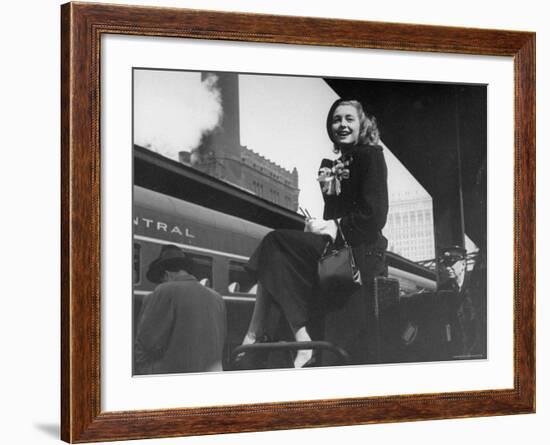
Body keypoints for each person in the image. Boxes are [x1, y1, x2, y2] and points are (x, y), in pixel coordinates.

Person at [240, 98, 388, 368]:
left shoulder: (371, 156)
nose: (341, 124)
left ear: (362, 124)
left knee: (275, 242)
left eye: (348, 119)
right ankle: (295, 337)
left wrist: (334, 226)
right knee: (276, 252)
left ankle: (257, 332)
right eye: (336, 120)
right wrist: (318, 225)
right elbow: (334, 216)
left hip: (361, 252)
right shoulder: (336, 165)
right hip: (339, 250)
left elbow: (375, 216)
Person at [134, 245, 227, 374]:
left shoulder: (164, 290)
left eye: (160, 281)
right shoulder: (217, 297)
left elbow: (147, 343)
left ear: (166, 275)